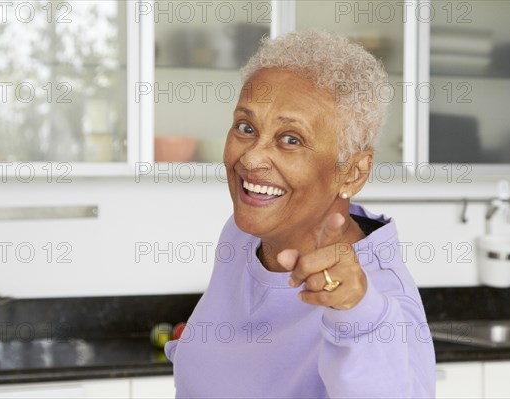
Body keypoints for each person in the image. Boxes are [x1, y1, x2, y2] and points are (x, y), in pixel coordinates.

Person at [165, 31, 436, 398]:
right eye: (246, 128)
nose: (252, 158)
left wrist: (358, 315)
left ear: (352, 172)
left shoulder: (380, 300)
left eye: (291, 139)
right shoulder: (244, 233)